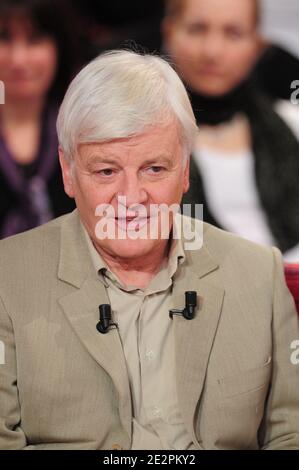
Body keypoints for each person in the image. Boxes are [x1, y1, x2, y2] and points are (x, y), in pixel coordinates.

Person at [0, 50, 298, 450]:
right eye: (106, 171)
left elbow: (290, 433)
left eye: (154, 169)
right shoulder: (7, 278)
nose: (131, 197)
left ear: (186, 170)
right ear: (69, 172)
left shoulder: (258, 273)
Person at [162, 0, 299, 262]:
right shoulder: (135, 138)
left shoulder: (292, 125)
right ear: (169, 31)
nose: (212, 51)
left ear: (257, 45)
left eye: (233, 33)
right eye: (197, 29)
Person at [0, 0, 76, 238]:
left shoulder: (87, 130)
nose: (19, 59)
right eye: (4, 38)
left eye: (35, 40)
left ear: (59, 45)